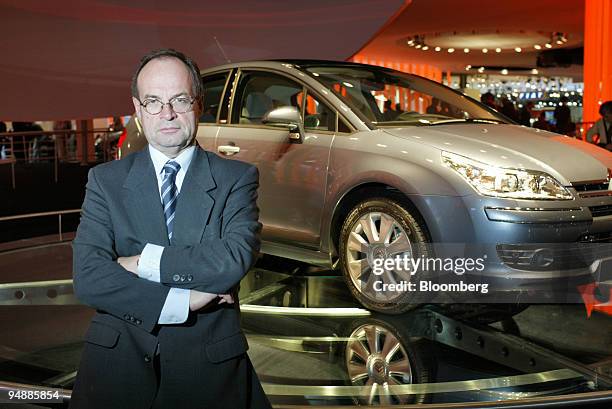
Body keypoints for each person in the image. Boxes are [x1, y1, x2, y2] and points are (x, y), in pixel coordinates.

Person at [71, 49, 271, 409]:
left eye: (179, 99)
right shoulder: (105, 180)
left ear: (198, 103)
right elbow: (88, 276)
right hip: (116, 369)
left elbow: (232, 259)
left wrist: (138, 262)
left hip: (209, 371)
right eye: (153, 101)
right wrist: (183, 300)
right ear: (137, 108)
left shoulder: (236, 178)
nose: (167, 113)